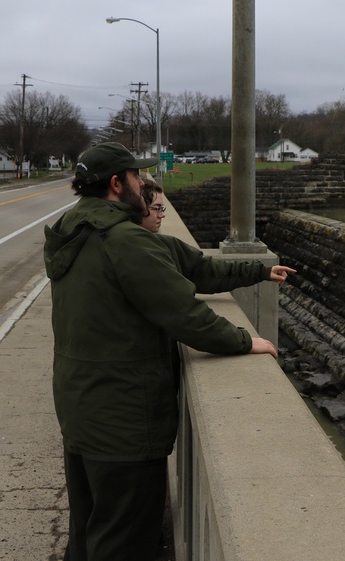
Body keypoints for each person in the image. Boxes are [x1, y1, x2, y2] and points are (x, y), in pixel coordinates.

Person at [43, 142, 277, 561]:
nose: (142, 183)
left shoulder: (73, 230)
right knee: (123, 541)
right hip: (123, 420)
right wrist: (245, 340)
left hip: (82, 407)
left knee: (87, 531)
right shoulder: (124, 240)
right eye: (135, 176)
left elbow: (191, 273)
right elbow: (184, 312)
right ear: (117, 184)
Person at [139, 178, 295, 290]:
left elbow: (208, 270)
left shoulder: (167, 245)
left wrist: (263, 272)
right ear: (138, 207)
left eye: (162, 209)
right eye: (157, 208)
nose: (162, 215)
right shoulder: (137, 252)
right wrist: (241, 337)